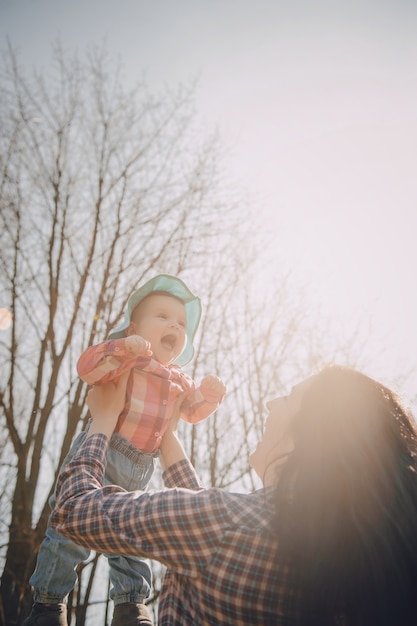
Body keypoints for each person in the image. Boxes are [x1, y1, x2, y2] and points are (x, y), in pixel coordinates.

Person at [49, 364, 417, 625]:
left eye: (289, 398)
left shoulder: (223, 524)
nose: (271, 403)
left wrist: (104, 420)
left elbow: (73, 510)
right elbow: (214, 537)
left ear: (312, 433)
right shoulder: (350, 550)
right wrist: (166, 438)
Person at [24, 274, 226, 626]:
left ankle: (132, 606)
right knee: (69, 534)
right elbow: (87, 368)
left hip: (140, 464)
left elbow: (192, 412)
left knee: (130, 536)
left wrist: (210, 395)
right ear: (134, 326)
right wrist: (122, 348)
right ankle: (48, 603)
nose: (174, 327)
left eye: (180, 323)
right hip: (101, 451)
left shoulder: (180, 379)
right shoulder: (129, 359)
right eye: (162, 317)